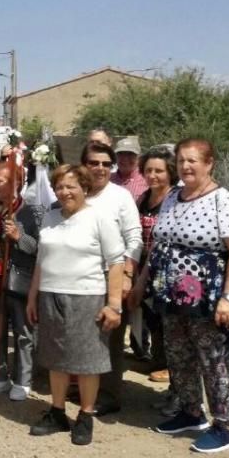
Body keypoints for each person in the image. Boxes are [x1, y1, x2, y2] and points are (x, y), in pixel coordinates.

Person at [129, 138, 229, 454]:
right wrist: (141, 283)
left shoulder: (224, 201)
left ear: (209, 163)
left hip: (208, 301)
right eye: (181, 160)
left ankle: (225, 427)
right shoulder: (172, 198)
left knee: (215, 363)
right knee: (179, 357)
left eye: (193, 160)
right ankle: (191, 412)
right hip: (171, 298)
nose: (186, 166)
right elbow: (157, 247)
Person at [26, 164, 125, 446]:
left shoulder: (99, 218)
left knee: (86, 362)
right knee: (56, 359)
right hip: (50, 295)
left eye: (71, 186)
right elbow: (40, 261)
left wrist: (114, 304)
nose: (65, 191)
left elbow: (116, 262)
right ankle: (57, 412)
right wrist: (33, 296)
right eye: (60, 186)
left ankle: (85, 415)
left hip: (87, 297)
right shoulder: (50, 217)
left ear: (84, 187)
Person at [81, 141, 143, 416]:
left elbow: (134, 237)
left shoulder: (120, 196)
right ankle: (87, 386)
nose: (101, 168)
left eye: (107, 164)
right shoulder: (77, 193)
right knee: (86, 335)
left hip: (113, 274)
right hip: (81, 276)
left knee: (111, 337)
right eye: (94, 162)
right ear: (84, 165)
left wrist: (128, 274)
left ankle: (109, 393)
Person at [0, 162, 43, 401]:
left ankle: (23, 379)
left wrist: (19, 237)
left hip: (20, 281)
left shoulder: (31, 212)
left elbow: (38, 249)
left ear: (16, 183)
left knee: (24, 333)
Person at [130, 147, 179, 384]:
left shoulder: (177, 199)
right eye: (148, 170)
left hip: (169, 270)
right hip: (145, 267)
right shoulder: (143, 198)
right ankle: (159, 360)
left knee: (167, 319)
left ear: (170, 172)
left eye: (158, 170)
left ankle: (171, 367)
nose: (153, 175)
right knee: (152, 316)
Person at [111, 136, 148, 201]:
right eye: (121, 153)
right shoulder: (108, 180)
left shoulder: (147, 180)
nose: (125, 158)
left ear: (139, 157)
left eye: (130, 154)